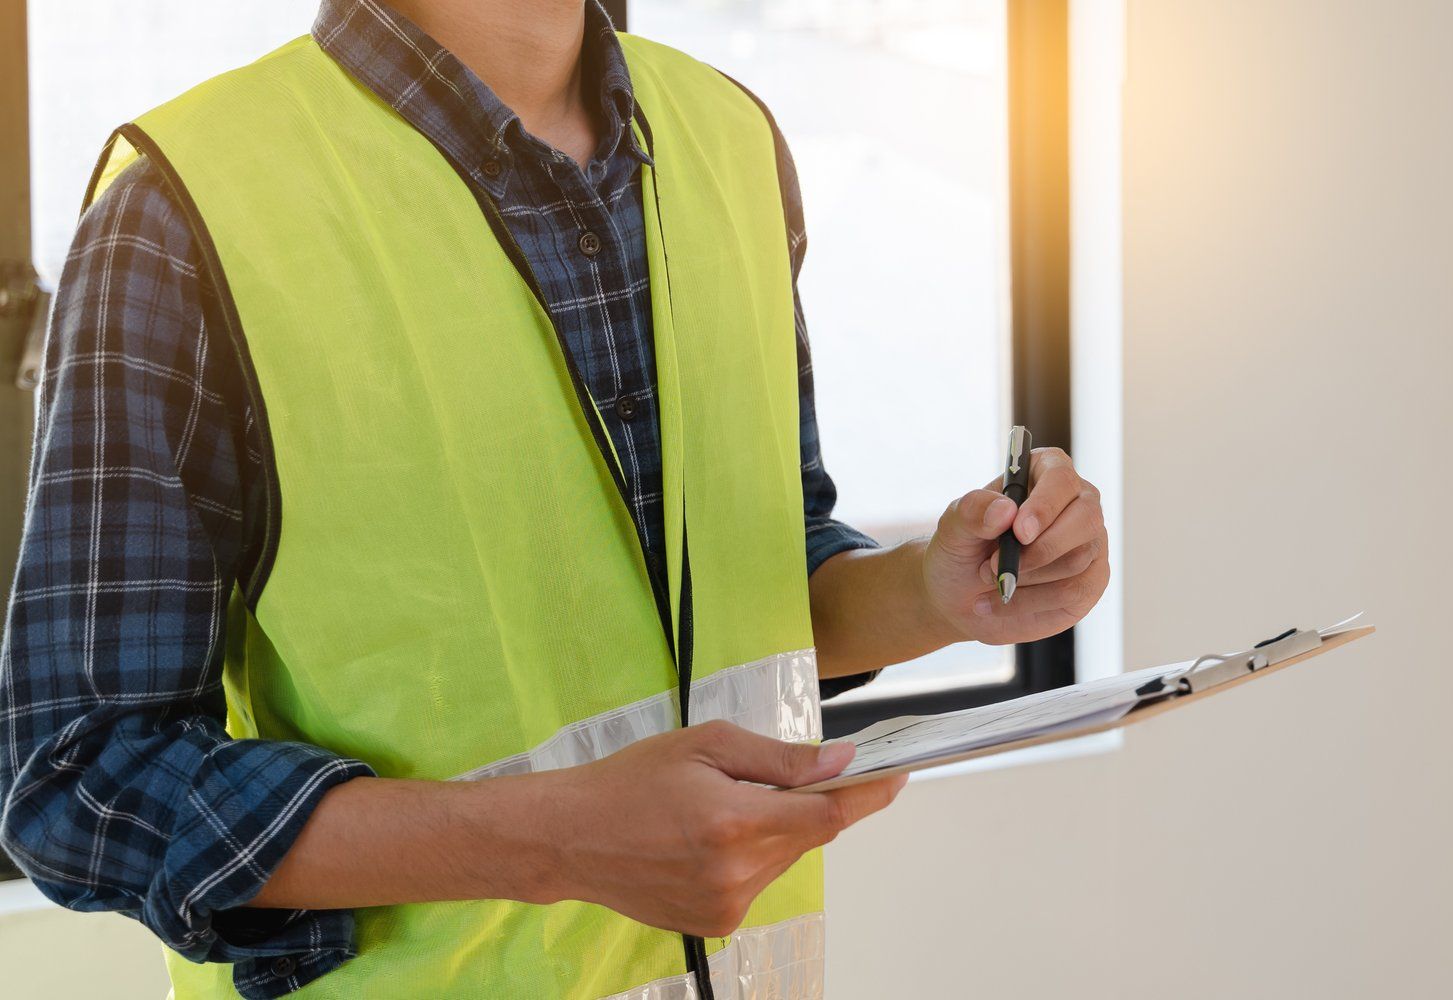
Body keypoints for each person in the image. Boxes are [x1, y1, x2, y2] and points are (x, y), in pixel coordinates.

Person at [0, 1, 1110, 996]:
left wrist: (930, 592)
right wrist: (552, 843)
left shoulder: (729, 139)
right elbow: (82, 778)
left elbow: (746, 583)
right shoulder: (181, 219)